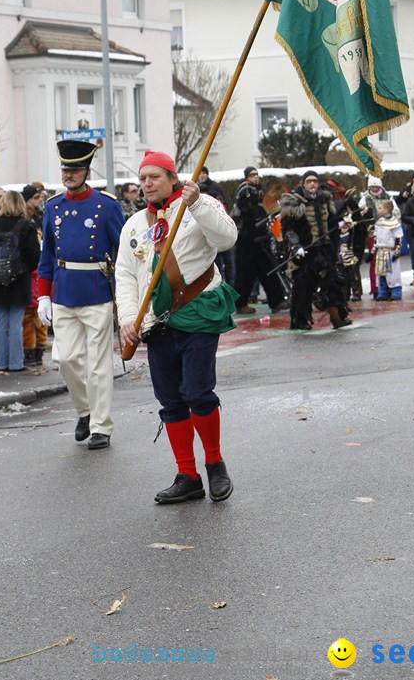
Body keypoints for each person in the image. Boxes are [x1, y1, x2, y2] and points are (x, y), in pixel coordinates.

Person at [117, 149, 238, 504]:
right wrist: (127, 318)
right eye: (142, 179)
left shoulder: (199, 205)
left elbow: (227, 239)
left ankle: (215, 464)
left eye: (154, 177)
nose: (147, 184)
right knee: (170, 400)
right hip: (157, 321)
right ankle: (188, 474)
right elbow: (125, 275)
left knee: (197, 392)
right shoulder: (135, 224)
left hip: (198, 313)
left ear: (173, 178)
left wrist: (198, 203)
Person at [36, 140, 124, 450]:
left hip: (96, 289)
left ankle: (101, 425)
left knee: (99, 363)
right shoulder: (53, 206)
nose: (68, 175)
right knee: (64, 358)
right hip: (62, 290)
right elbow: (46, 254)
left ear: (86, 171)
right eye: (64, 169)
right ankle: (85, 410)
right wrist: (42, 295)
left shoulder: (107, 205)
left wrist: (122, 295)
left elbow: (122, 253)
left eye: (74, 170)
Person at [279, 170, 351, 329]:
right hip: (306, 252)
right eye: (309, 181)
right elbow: (289, 230)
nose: (313, 184)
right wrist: (296, 246)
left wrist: (338, 225)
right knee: (302, 289)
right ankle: (300, 321)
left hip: (324, 251)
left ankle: (338, 317)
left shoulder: (325, 200)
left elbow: (331, 222)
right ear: (303, 184)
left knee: (333, 284)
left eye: (315, 181)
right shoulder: (294, 203)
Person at [0, 190, 40, 372]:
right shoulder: (27, 225)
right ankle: (15, 363)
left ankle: (1, 363)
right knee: (15, 322)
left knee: (0, 321)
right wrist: (23, 270)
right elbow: (34, 256)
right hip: (19, 280)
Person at [233, 167, 288, 315]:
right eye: (252, 175)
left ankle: (276, 300)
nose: (255, 177)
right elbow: (247, 209)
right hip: (247, 239)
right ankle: (240, 304)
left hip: (261, 238)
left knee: (268, 270)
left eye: (256, 175)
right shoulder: (245, 191)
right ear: (246, 177)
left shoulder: (259, 191)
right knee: (245, 273)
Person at [21, 184, 47, 368]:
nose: (39, 201)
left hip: (38, 271)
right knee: (29, 318)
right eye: (36, 197)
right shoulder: (26, 221)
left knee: (39, 318)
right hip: (32, 271)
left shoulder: (39, 217)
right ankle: (31, 350)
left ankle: (37, 350)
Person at [374, 199, 404, 300]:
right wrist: (372, 252)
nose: (378, 210)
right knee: (381, 273)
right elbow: (376, 238)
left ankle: (396, 292)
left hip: (390, 252)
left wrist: (397, 251)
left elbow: (398, 238)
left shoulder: (394, 222)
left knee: (393, 273)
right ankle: (382, 292)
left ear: (386, 210)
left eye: (380, 208)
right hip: (381, 251)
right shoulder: (379, 222)